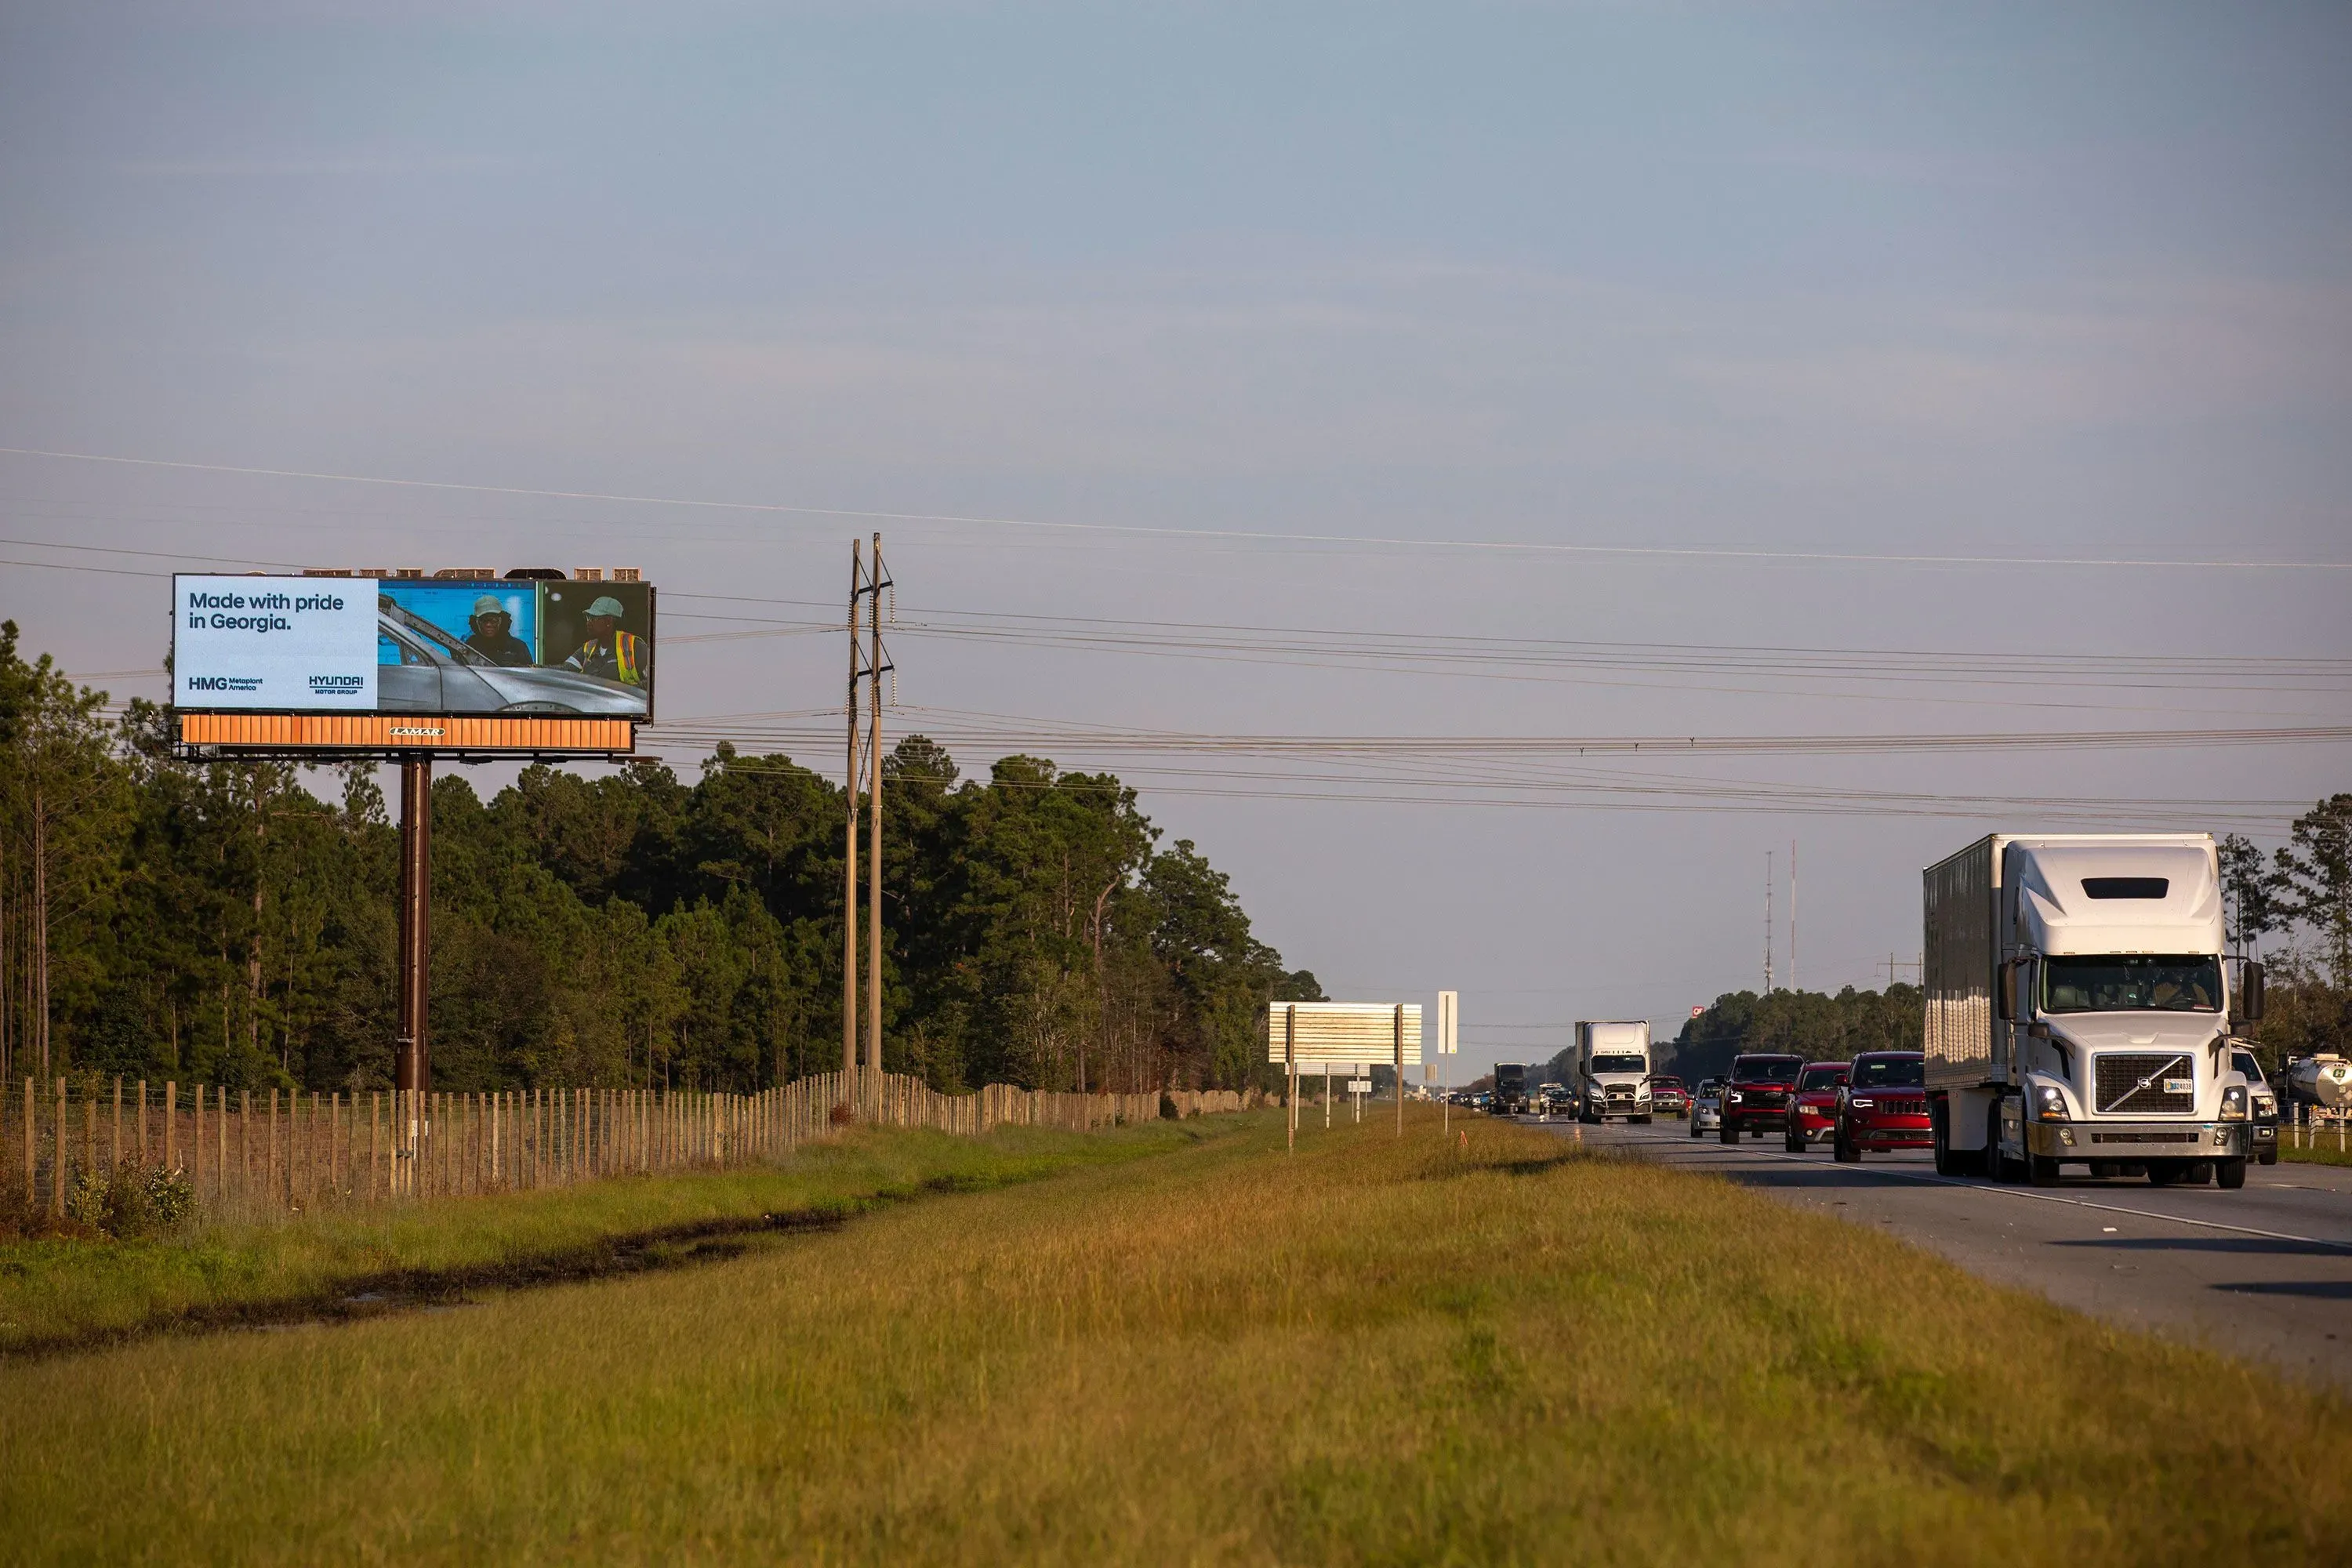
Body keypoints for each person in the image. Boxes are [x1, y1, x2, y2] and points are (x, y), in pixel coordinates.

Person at [561, 596, 649, 686]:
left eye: (593, 618)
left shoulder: (633, 647)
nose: (588, 623)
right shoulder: (588, 648)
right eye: (588, 618)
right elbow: (564, 670)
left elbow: (654, 681)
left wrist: (626, 689)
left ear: (608, 621)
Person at [463, 595, 535, 666]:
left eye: (493, 620)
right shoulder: (470, 646)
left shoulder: (518, 647)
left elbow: (530, 673)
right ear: (477, 622)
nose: (488, 624)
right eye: (484, 620)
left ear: (500, 620)